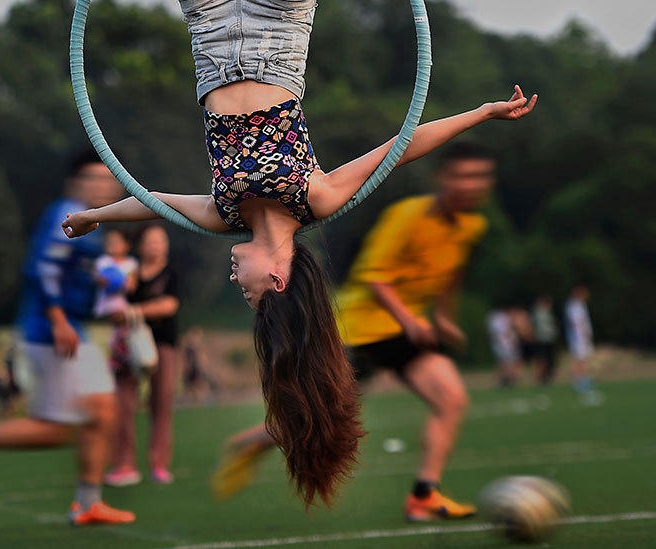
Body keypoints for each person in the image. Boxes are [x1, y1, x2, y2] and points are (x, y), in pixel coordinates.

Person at [61, 0, 538, 508]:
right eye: (250, 288)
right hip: (280, 35)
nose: (236, 279)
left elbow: (153, 201)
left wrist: (97, 216)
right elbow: (400, 148)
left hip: (213, 31)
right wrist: (480, 113)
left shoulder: (225, 212)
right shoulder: (314, 197)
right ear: (278, 278)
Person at [211, 141, 504, 520]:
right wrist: (411, 320)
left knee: (451, 399)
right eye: (463, 175)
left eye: (480, 176)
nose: (471, 184)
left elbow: (451, 272)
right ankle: (254, 440)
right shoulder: (408, 215)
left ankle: (424, 495)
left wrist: (444, 316)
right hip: (361, 328)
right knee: (321, 414)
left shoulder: (471, 225)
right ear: (442, 178)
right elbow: (375, 278)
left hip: (402, 331)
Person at [0, 150, 136, 526]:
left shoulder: (91, 222)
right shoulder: (67, 213)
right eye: (94, 178)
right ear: (75, 184)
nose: (103, 186)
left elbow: (71, 271)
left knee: (102, 412)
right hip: (51, 332)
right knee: (58, 428)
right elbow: (43, 270)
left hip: (73, 328)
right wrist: (58, 320)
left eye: (107, 179)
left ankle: (88, 503)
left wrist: (101, 286)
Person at [105, 224, 182, 487]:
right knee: (123, 403)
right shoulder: (130, 273)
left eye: (161, 241)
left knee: (161, 402)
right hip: (129, 344)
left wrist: (134, 312)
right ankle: (124, 464)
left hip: (163, 344)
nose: (156, 246)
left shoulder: (171, 274)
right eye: (151, 241)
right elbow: (112, 302)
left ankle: (159, 464)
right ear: (140, 246)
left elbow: (169, 305)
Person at [93, 228, 138, 319]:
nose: (113, 245)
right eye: (110, 242)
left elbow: (132, 284)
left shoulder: (131, 263)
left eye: (117, 242)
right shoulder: (103, 261)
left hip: (122, 304)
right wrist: (104, 281)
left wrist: (126, 284)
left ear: (127, 245)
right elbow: (96, 278)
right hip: (104, 304)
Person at [564, 285, 595, 393]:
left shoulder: (581, 305)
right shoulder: (574, 306)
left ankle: (583, 379)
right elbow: (576, 323)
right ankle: (578, 381)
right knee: (578, 360)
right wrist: (582, 335)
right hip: (578, 337)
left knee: (583, 359)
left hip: (581, 337)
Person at [179, 326, 218, 405]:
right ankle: (192, 400)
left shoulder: (197, 346)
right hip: (193, 369)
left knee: (200, 385)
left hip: (197, 369)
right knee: (192, 386)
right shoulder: (189, 346)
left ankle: (202, 400)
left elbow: (202, 359)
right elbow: (187, 358)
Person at [487, 308, 521, 387]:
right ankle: (507, 379)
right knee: (507, 362)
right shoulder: (503, 319)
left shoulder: (496, 318)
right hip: (505, 345)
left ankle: (507, 379)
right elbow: (506, 333)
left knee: (505, 362)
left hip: (503, 345)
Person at [530, 294, 559, 385]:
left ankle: (548, 376)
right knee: (542, 359)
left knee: (551, 359)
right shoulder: (537, 313)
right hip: (541, 339)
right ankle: (540, 377)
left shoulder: (548, 312)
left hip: (550, 338)